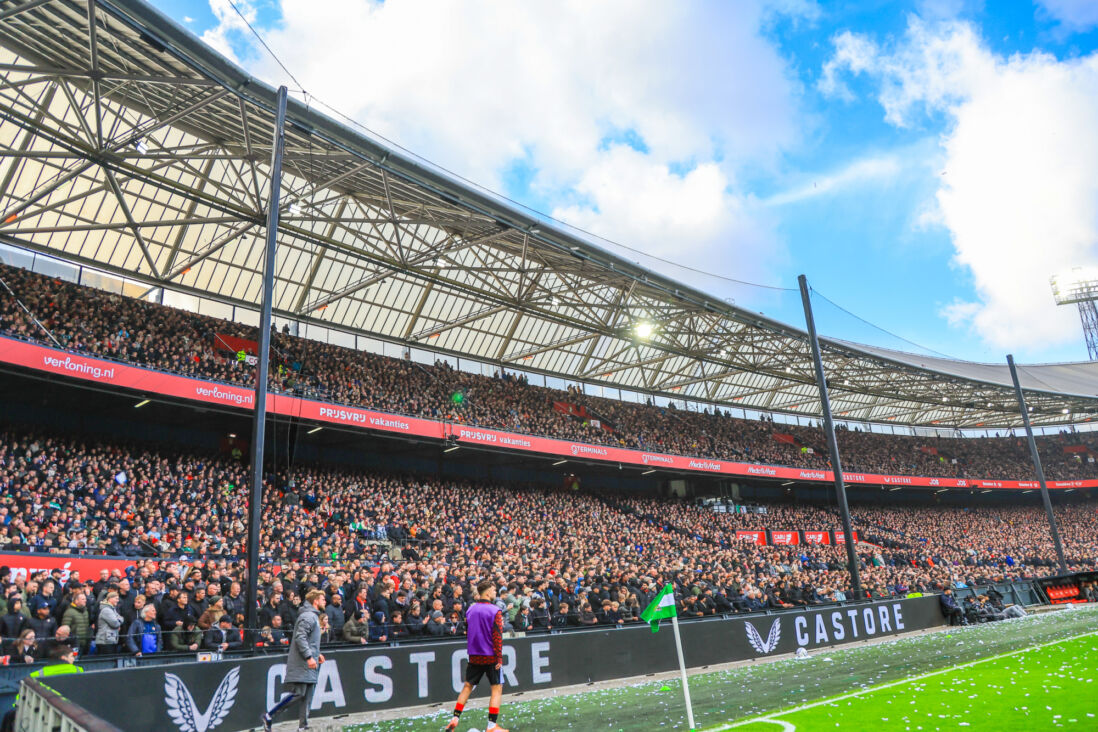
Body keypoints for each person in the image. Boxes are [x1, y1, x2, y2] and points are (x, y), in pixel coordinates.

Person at [445, 580, 508, 732]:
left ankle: (455, 717)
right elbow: (498, 636)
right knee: (496, 688)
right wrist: (499, 657)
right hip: (491, 656)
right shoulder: (495, 611)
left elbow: (468, 631)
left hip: (474, 655)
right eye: (493, 590)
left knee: (467, 686)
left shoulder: (470, 610)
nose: (495, 593)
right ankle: (491, 726)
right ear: (487, 593)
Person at [261, 589, 325, 732]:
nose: (324, 602)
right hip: (302, 661)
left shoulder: (312, 616)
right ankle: (269, 715)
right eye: (322, 599)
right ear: (316, 601)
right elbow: (300, 638)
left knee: (307, 695)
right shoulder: (308, 617)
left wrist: (317, 654)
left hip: (309, 660)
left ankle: (303, 726)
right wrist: (309, 657)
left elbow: (310, 641)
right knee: (299, 693)